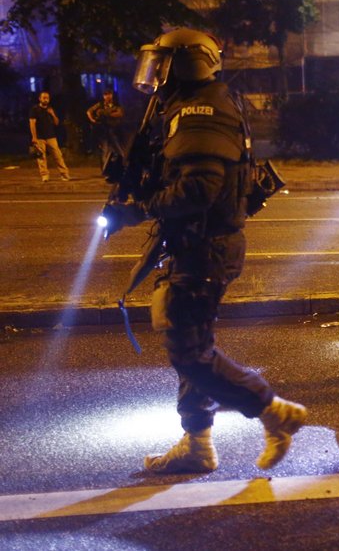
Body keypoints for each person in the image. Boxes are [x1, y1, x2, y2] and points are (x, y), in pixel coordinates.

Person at [108, 28, 307, 472]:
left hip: (205, 246)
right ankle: (197, 443)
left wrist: (138, 210)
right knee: (191, 341)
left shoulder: (202, 109)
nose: (155, 73)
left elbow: (200, 187)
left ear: (187, 63)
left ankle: (273, 411)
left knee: (187, 349)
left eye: (162, 63)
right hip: (193, 242)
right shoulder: (188, 104)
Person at [29, 91, 70, 182]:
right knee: (41, 157)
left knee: (58, 156)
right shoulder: (35, 109)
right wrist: (34, 137)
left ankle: (64, 174)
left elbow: (56, 123)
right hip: (40, 137)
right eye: (44, 98)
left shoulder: (50, 109)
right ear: (40, 99)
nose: (46, 100)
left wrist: (52, 114)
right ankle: (45, 175)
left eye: (47, 98)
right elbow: (32, 123)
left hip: (51, 136)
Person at [87, 88, 125, 165]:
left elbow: (120, 114)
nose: (108, 96)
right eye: (106, 95)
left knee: (118, 148)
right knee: (105, 149)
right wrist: (92, 120)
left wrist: (107, 114)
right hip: (103, 129)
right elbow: (89, 111)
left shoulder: (116, 104)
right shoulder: (100, 105)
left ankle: (123, 164)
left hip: (114, 129)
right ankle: (105, 168)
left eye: (109, 94)